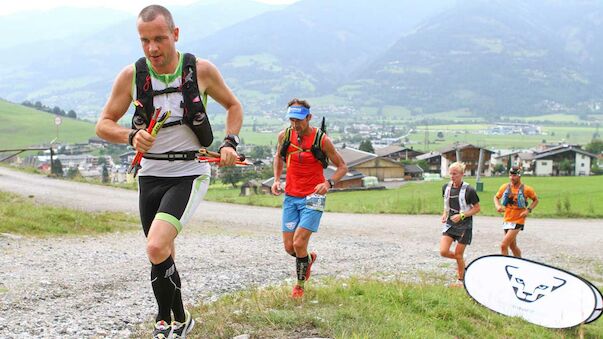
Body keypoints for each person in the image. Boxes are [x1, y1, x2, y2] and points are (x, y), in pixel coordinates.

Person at [95, 5, 242, 338]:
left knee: (155, 246)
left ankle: (164, 319)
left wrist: (230, 143)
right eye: (144, 41)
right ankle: (180, 319)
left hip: (190, 170)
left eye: (159, 39)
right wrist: (130, 136)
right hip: (150, 174)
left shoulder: (200, 70)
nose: (152, 49)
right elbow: (103, 125)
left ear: (175, 35)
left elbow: (233, 105)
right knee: (162, 252)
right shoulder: (131, 76)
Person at [271, 98, 347, 299]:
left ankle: (299, 286)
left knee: (298, 243)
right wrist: (277, 180)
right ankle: (308, 259)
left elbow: (342, 167)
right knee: (290, 248)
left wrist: (328, 184)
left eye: (299, 121)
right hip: (291, 197)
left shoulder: (321, 140)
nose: (295, 125)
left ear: (309, 117)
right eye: (292, 120)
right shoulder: (284, 136)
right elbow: (278, 158)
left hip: (313, 197)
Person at [440, 162, 481, 286]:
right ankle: (461, 261)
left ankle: (461, 280)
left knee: (458, 253)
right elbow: (446, 204)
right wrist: (444, 213)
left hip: (465, 225)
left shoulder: (469, 190)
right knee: (443, 251)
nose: (452, 176)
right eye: (451, 173)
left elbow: (477, 208)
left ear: (462, 174)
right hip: (450, 223)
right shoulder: (445, 187)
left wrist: (462, 215)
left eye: (455, 174)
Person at [493, 166, 539, 257]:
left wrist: (528, 210)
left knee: (503, 245)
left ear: (519, 176)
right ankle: (520, 262)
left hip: (518, 219)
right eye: (510, 175)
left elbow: (536, 200)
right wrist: (498, 206)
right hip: (507, 219)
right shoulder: (505, 187)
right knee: (512, 246)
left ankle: (505, 265)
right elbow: (496, 197)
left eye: (514, 175)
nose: (511, 178)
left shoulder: (527, 189)